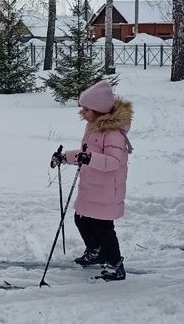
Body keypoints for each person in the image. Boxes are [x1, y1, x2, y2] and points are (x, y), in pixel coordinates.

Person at [50, 79, 133, 281]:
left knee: (104, 228)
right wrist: (65, 157)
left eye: (87, 109)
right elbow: (86, 153)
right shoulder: (93, 126)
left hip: (106, 190)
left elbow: (114, 161)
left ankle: (115, 265)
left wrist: (89, 158)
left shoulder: (114, 133)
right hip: (91, 187)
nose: (83, 113)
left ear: (99, 109)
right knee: (81, 219)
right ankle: (95, 252)